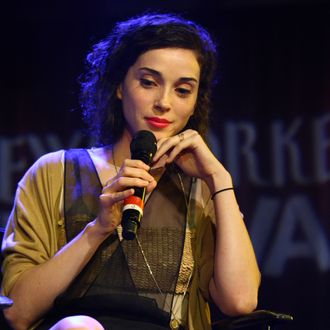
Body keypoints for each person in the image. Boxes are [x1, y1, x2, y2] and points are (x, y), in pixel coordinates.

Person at [1, 12, 261, 330]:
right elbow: (18, 312)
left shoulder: (200, 189)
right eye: (149, 83)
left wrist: (219, 180)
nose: (163, 102)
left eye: (182, 90)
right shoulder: (54, 172)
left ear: (196, 102)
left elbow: (241, 300)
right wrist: (97, 228)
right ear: (120, 86)